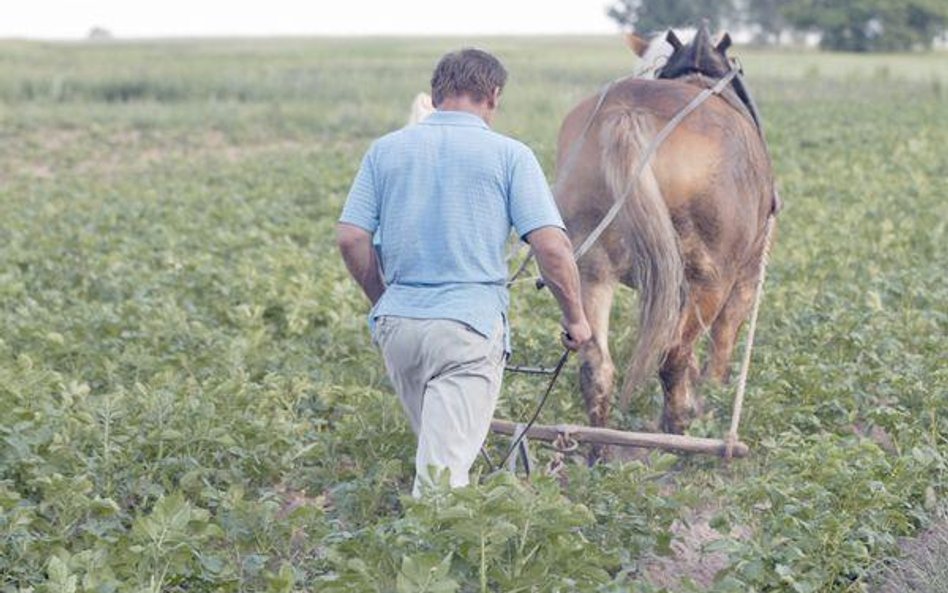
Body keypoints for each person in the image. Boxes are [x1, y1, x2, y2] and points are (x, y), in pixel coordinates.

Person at [336, 48, 591, 497]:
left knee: (437, 456)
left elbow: (351, 238)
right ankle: (428, 563)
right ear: (493, 96)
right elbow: (552, 247)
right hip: (467, 330)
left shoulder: (385, 150)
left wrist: (384, 299)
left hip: (399, 328)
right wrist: (576, 319)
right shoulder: (511, 155)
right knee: (440, 485)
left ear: (435, 96)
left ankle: (432, 548)